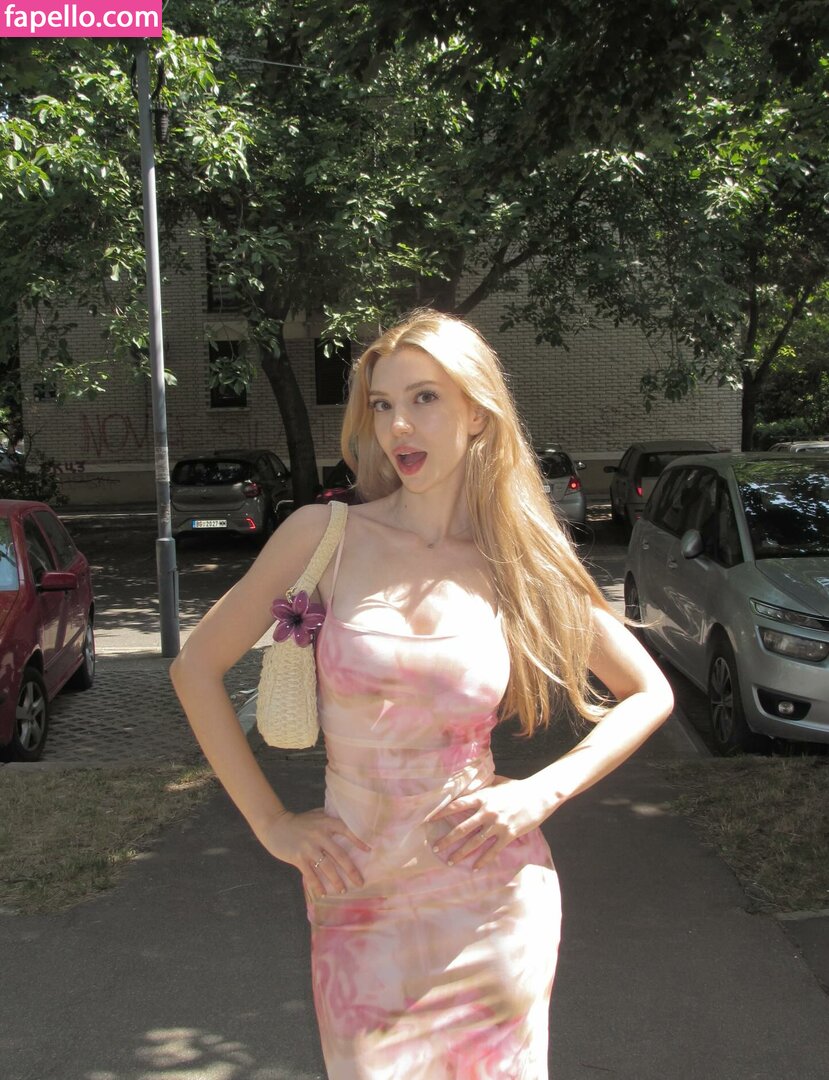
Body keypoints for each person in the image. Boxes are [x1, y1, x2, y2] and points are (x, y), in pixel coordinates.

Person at [170, 309, 673, 1079]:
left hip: (493, 899)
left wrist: (539, 793)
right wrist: (273, 825)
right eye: (381, 404)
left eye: (425, 398)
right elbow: (195, 668)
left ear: (477, 413)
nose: (397, 425)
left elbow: (647, 691)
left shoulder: (512, 556)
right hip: (357, 892)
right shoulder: (324, 535)